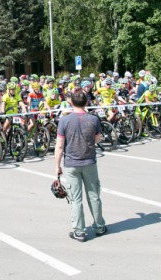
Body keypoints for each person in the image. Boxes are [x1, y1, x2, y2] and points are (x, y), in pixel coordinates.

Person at [54, 91, 106, 242]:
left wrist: (57, 166)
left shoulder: (64, 120)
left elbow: (59, 146)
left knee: (76, 199)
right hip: (89, 162)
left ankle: (79, 231)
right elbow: (97, 138)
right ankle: (99, 226)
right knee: (94, 196)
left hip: (71, 163)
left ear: (71, 103)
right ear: (86, 102)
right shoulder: (94, 119)